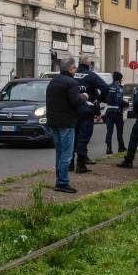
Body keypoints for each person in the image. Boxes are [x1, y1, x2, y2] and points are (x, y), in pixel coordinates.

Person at [45, 56, 86, 193]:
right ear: (70, 68)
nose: (75, 70)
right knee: (66, 154)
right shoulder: (71, 83)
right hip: (67, 122)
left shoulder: (53, 82)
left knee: (59, 152)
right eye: (74, 67)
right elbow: (75, 101)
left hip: (53, 122)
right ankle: (62, 182)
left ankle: (59, 179)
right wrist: (84, 97)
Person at [72, 55, 108, 172]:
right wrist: (99, 100)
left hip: (72, 110)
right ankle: (81, 165)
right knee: (83, 137)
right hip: (86, 111)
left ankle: (69, 164)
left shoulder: (72, 74)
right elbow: (105, 88)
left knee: (73, 137)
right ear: (88, 64)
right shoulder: (91, 75)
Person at [104, 70, 127, 155]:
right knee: (119, 130)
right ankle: (121, 147)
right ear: (120, 79)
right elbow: (119, 100)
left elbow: (105, 98)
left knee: (109, 131)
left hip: (109, 111)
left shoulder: (108, 86)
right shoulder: (119, 87)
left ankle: (108, 148)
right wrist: (125, 104)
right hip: (117, 111)